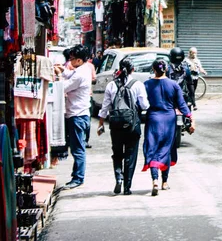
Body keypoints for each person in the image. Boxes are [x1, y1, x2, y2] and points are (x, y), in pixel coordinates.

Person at [97, 56, 149, 195]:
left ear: (119, 69)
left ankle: (118, 178)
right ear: (133, 69)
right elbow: (144, 105)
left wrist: (101, 123)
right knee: (130, 155)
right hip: (133, 124)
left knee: (117, 153)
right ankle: (127, 187)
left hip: (116, 125)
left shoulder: (111, 85)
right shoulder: (138, 85)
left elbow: (105, 107)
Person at [143, 59, 194, 196]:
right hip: (169, 119)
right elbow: (182, 105)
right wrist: (190, 118)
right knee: (167, 148)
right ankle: (164, 182)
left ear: (154, 69)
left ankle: (154, 179)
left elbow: (141, 103)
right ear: (166, 69)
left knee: (153, 148)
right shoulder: (173, 85)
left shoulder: (147, 84)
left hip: (153, 118)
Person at [54, 44, 92, 189]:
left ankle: (78, 178)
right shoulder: (82, 69)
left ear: (79, 60)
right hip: (78, 114)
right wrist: (63, 70)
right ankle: (76, 175)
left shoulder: (81, 73)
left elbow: (65, 86)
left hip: (77, 114)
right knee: (77, 147)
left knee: (78, 149)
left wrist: (58, 75)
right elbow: (70, 75)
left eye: (72, 59)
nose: (70, 61)